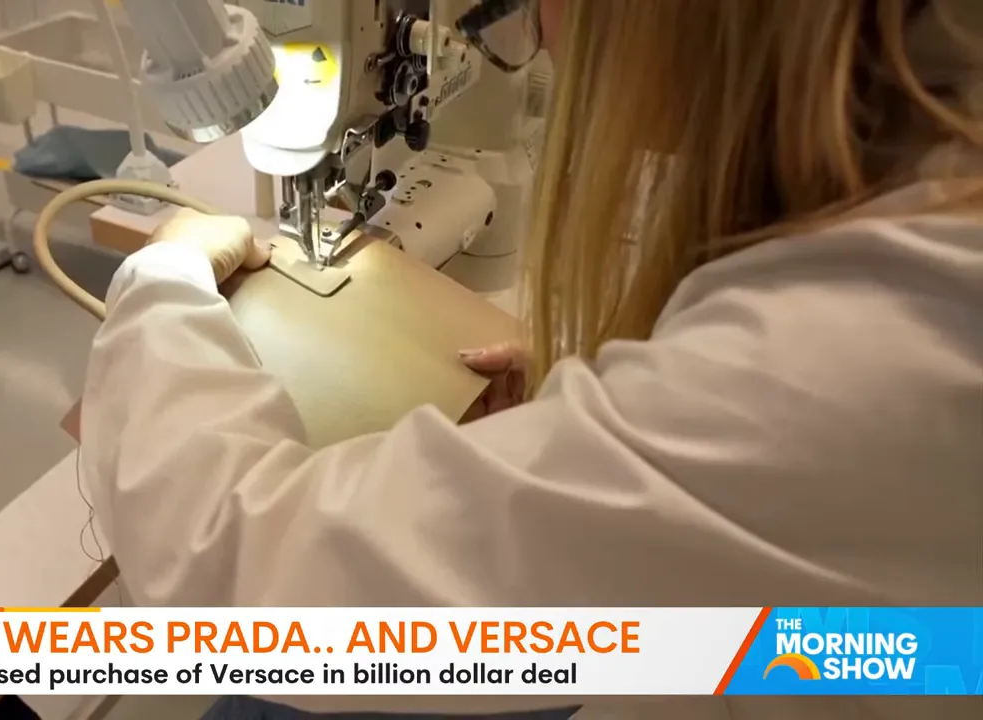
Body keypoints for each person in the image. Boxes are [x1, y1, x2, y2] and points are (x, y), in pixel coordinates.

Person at [80, 0, 983, 718]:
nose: (544, 31)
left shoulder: (855, 358)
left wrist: (163, 279)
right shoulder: (928, 207)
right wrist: (624, 393)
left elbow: (248, 584)